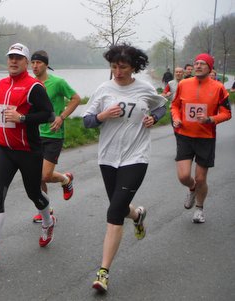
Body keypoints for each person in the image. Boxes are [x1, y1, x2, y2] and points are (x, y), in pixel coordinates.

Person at [83, 44, 167, 292]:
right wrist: (102, 115)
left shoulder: (145, 88)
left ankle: (103, 272)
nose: (117, 72)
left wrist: (154, 117)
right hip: (108, 158)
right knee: (119, 207)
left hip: (136, 157)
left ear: (134, 68)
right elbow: (87, 121)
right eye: (113, 67)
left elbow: (161, 105)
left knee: (114, 212)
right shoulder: (103, 90)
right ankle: (138, 215)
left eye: (123, 67)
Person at [0, 43, 55, 262]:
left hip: (28, 150)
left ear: (27, 62)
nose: (13, 61)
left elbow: (48, 114)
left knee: (34, 194)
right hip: (4, 149)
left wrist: (23, 118)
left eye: (19, 58)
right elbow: (0, 106)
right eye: (11, 57)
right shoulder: (2, 84)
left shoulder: (34, 87)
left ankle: (48, 221)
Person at [171, 53, 231, 224]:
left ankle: (199, 209)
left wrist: (210, 119)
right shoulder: (183, 84)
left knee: (201, 178)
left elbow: (227, 113)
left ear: (210, 68)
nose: (198, 66)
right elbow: (175, 105)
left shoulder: (219, 88)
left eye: (202, 64)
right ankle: (192, 188)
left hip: (206, 137)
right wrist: (176, 118)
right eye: (196, 63)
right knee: (183, 176)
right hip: (184, 136)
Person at [30, 50, 80, 223]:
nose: (35, 66)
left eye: (38, 62)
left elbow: (76, 99)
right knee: (35, 177)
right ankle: (45, 210)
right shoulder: (31, 84)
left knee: (44, 176)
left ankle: (65, 179)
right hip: (34, 135)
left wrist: (61, 117)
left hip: (53, 134)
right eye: (33, 62)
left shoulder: (58, 82)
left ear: (46, 64)